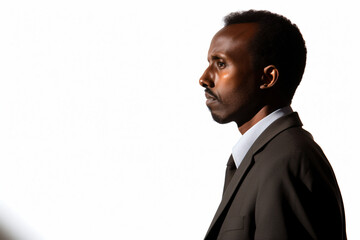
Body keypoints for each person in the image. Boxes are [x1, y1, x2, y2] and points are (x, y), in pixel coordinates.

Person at [199, 10, 346, 240]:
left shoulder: (288, 159)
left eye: (220, 64)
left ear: (268, 78)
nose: (204, 78)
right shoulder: (265, 156)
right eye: (209, 63)